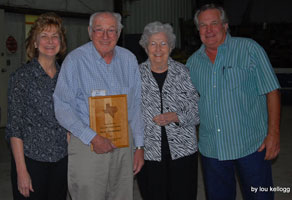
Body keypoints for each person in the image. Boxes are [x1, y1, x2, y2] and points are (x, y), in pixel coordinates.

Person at [186, 4, 281, 200]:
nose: (209, 30)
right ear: (198, 30)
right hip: (213, 149)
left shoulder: (249, 49)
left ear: (225, 25)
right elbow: (189, 105)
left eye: (214, 23)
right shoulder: (192, 63)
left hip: (252, 145)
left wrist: (273, 134)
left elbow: (272, 90)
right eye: (203, 25)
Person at [53, 11, 144, 200]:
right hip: (88, 144)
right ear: (89, 31)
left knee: (122, 195)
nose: (105, 36)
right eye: (99, 30)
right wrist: (93, 137)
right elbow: (62, 106)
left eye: (111, 30)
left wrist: (140, 146)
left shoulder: (129, 60)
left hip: (123, 145)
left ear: (118, 33)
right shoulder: (75, 60)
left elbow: (135, 106)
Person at [6, 12, 68, 200]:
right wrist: (21, 171)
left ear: (61, 42)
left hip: (61, 160)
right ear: (34, 43)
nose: (50, 41)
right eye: (44, 36)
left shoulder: (66, 77)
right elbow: (15, 128)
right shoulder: (22, 77)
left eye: (55, 36)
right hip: (32, 161)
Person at [137, 21, 200, 200]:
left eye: (163, 43)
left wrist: (176, 116)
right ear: (145, 47)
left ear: (171, 46)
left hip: (182, 151)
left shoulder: (184, 73)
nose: (158, 49)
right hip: (149, 152)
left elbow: (197, 110)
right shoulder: (135, 75)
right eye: (153, 43)